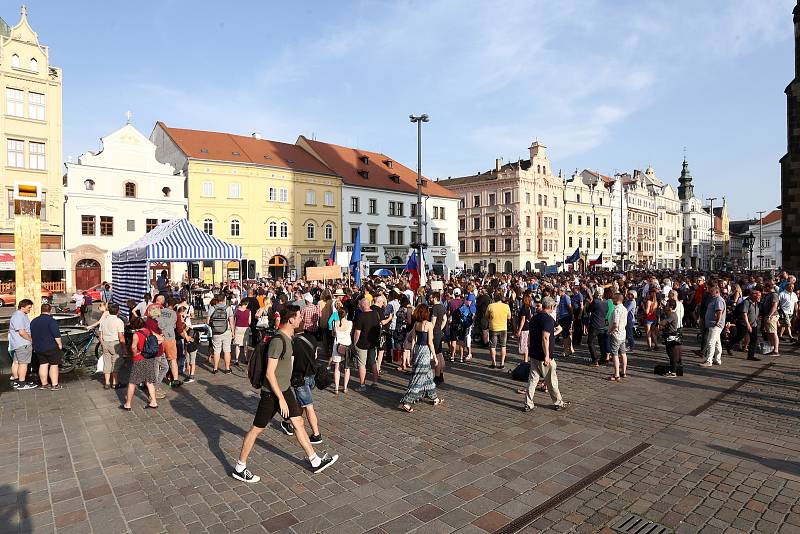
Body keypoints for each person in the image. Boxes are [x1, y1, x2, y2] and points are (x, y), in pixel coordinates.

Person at [231, 305, 338, 483]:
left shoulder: (289, 338)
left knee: (298, 422)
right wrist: (280, 399)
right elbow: (269, 373)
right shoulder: (278, 341)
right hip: (272, 393)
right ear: (291, 320)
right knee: (257, 429)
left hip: (285, 389)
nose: (301, 320)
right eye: (299, 317)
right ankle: (240, 467)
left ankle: (315, 460)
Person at [522, 297, 569, 412]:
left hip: (534, 353)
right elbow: (545, 338)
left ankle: (528, 403)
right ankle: (558, 402)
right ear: (552, 307)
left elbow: (531, 335)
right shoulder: (547, 319)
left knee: (532, 380)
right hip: (543, 355)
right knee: (551, 380)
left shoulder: (534, 318)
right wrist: (547, 355)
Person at [278, 330, 324, 445]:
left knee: (308, 406)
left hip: (300, 378)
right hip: (311, 374)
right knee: (301, 402)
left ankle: (316, 435)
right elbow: (315, 355)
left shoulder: (293, 342)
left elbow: (291, 362)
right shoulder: (312, 338)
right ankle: (292, 424)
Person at [399, 304, 444, 413]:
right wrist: (435, 356)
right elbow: (430, 342)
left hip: (418, 349)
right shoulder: (429, 325)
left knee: (428, 375)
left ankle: (435, 398)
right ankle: (406, 402)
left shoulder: (416, 324)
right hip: (425, 351)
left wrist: (412, 353)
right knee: (418, 377)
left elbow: (413, 339)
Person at [121, 317, 161, 410]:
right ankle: (154, 402)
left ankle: (128, 404)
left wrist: (135, 354)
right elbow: (161, 339)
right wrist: (151, 348)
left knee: (132, 382)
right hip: (149, 358)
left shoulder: (136, 334)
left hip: (139, 359)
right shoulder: (149, 331)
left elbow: (134, 347)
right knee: (149, 381)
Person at [30, 303, 63, 391]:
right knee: (54, 365)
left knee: (43, 364)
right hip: (50, 346)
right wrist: (59, 344)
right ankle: (55, 385)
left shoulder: (34, 321)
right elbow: (56, 335)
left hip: (38, 347)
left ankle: (44, 384)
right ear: (50, 310)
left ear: (41, 310)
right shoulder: (51, 321)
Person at [351, 297, 381, 390]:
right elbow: (378, 327)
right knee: (373, 362)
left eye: (360, 305)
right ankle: (375, 382)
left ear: (363, 305)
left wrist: (354, 343)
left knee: (362, 364)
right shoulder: (375, 314)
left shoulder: (361, 316)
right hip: (373, 342)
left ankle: (362, 385)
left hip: (362, 343)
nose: (359, 306)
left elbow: (357, 332)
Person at [727, 289, 761, 361]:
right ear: (753, 295)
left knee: (754, 339)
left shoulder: (756, 303)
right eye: (758, 296)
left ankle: (751, 355)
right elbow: (744, 314)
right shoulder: (746, 302)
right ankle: (729, 345)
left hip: (753, 324)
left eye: (760, 296)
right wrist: (748, 325)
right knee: (739, 337)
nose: (759, 297)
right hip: (744, 324)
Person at [98, 302, 126, 389]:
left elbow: (100, 335)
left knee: (107, 363)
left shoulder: (103, 321)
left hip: (105, 342)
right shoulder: (119, 321)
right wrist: (124, 348)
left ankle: (106, 383)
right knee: (115, 363)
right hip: (115, 343)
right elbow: (121, 336)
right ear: (118, 311)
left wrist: (102, 344)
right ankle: (115, 382)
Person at [9, 299, 35, 390]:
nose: (30, 309)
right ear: (22, 307)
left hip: (17, 343)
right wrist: (31, 339)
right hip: (23, 344)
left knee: (16, 362)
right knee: (23, 364)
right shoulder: (19, 316)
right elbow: (22, 332)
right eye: (29, 308)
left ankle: (17, 380)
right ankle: (22, 383)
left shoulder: (18, 315)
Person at [701, 285, 726, 367]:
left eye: (712, 291)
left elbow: (719, 311)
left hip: (715, 325)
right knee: (717, 343)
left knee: (711, 342)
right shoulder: (714, 299)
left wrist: (717, 322)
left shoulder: (718, 300)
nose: (710, 293)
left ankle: (709, 360)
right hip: (713, 324)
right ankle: (717, 359)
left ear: (717, 292)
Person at [208, 295, 234, 374]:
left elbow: (208, 321)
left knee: (216, 351)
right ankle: (227, 368)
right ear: (224, 299)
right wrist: (233, 332)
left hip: (215, 332)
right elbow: (231, 322)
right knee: (227, 350)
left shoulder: (212, 308)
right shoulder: (228, 308)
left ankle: (215, 368)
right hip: (226, 331)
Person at [487, 291, 511, 369]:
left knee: (493, 346)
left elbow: (486, 316)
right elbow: (509, 317)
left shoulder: (490, 306)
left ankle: (493, 363)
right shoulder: (506, 306)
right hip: (503, 328)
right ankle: (502, 363)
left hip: (493, 328)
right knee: (503, 346)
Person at [331, 301, 352, 394]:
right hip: (347, 345)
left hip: (337, 345)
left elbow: (333, 334)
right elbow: (350, 333)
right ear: (346, 314)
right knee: (347, 368)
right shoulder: (350, 323)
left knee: (337, 367)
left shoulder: (334, 323)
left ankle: (336, 388)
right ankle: (345, 387)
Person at [607, 293, 628, 381]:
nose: (612, 300)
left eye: (613, 298)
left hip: (616, 334)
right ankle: (623, 371)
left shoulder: (617, 310)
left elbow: (616, 324)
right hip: (623, 333)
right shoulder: (624, 308)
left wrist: (609, 331)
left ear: (617, 299)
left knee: (615, 354)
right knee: (623, 353)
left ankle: (616, 374)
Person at [659, 297, 682, 377]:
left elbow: (663, 323)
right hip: (669, 335)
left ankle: (673, 372)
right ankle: (672, 370)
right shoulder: (670, 314)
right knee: (670, 353)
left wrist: (661, 322)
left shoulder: (672, 315)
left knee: (672, 354)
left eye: (667, 305)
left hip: (671, 336)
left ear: (671, 307)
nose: (666, 306)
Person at [586, 289, 609, 367]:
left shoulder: (595, 302)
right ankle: (603, 358)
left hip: (594, 324)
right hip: (602, 324)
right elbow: (606, 311)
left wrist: (589, 303)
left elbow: (588, 310)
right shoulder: (606, 302)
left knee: (590, 342)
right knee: (601, 343)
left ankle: (595, 359)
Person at [429, 291, 447, 382]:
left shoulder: (435, 308)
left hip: (435, 333)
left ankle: (437, 376)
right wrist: (441, 328)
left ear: (435, 298)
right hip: (439, 332)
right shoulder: (442, 306)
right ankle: (441, 374)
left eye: (431, 298)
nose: (430, 299)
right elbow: (445, 319)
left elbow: (433, 322)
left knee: (436, 354)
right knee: (440, 354)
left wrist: (430, 332)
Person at [515, 293, 534, 363]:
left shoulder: (523, 309)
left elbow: (523, 320)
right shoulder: (530, 308)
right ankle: (525, 359)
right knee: (526, 344)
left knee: (524, 344)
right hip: (528, 327)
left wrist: (519, 330)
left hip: (524, 328)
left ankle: (525, 360)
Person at [233, 300, 252, 366]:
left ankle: (236, 360)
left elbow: (233, 319)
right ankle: (246, 359)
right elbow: (249, 322)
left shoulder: (237, 310)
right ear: (246, 304)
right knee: (245, 345)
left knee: (237, 345)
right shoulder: (248, 311)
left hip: (238, 328)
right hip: (245, 328)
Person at [556, 287, 574, 355]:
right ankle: (570, 349)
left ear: (562, 291)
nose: (557, 292)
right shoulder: (561, 297)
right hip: (562, 317)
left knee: (565, 335)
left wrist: (571, 316)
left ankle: (566, 351)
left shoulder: (566, 297)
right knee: (566, 334)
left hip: (566, 318)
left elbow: (570, 307)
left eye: (558, 291)